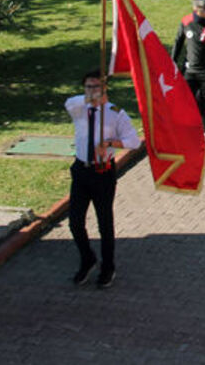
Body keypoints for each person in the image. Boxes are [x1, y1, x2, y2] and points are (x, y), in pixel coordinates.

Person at [65, 69, 141, 288]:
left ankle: (108, 267)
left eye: (96, 87)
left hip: (102, 172)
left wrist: (109, 144)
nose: (92, 91)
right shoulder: (79, 108)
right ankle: (87, 258)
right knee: (75, 222)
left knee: (104, 223)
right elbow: (69, 102)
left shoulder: (115, 113)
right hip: (81, 170)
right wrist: (90, 98)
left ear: (105, 88)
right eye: (88, 86)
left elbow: (133, 141)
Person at [171, 0, 205, 149]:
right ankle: (188, 131)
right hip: (189, 72)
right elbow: (178, 43)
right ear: (196, 10)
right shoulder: (186, 22)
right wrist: (172, 63)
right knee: (188, 102)